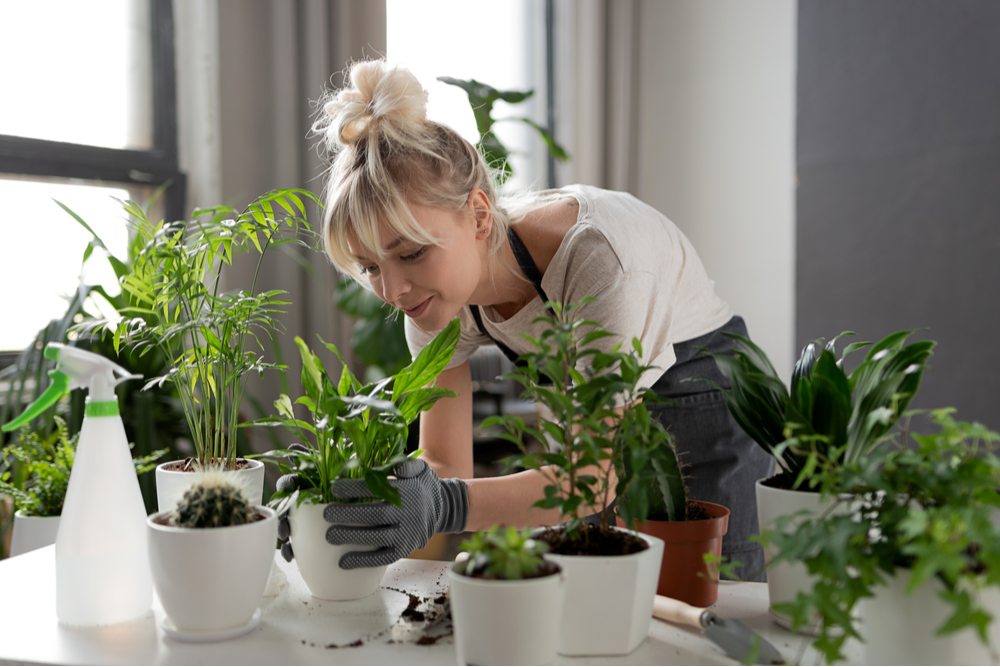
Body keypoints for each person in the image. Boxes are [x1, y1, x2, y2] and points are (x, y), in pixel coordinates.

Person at [287, 59, 773, 580]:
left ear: (477, 214)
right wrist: (352, 506)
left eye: (410, 254)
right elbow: (446, 467)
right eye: (369, 268)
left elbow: (589, 477)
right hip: (603, 426)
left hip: (700, 402)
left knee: (706, 604)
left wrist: (443, 507)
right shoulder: (428, 301)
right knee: (611, 608)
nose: (392, 291)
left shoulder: (597, 261)